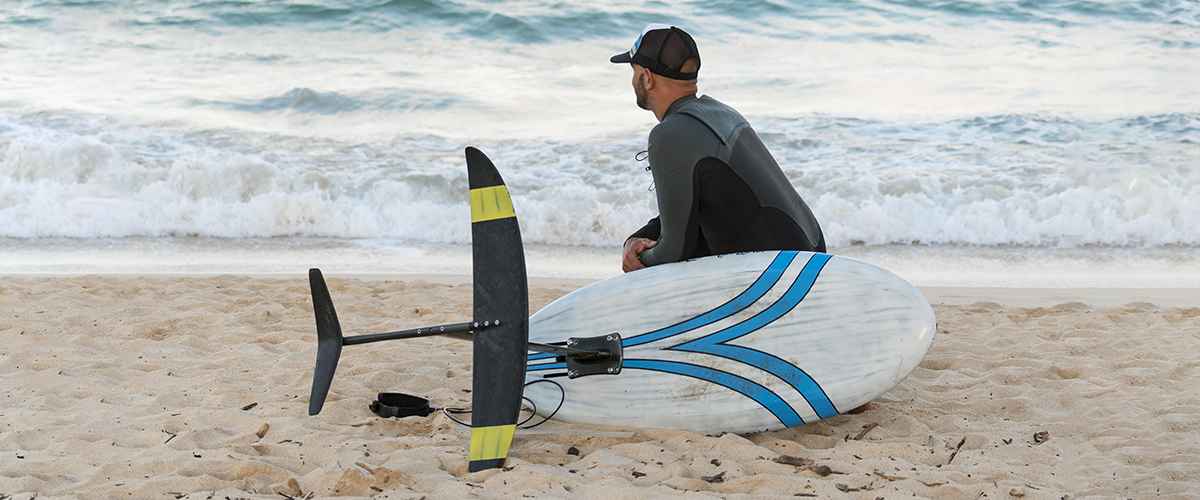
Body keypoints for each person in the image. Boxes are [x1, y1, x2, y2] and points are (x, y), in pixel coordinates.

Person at [611, 24, 826, 273]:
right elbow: (684, 209)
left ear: (648, 78)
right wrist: (635, 239)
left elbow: (675, 251)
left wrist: (638, 260)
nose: (632, 80)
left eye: (634, 70)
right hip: (810, 253)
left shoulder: (669, 133)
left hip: (778, 273)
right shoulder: (721, 112)